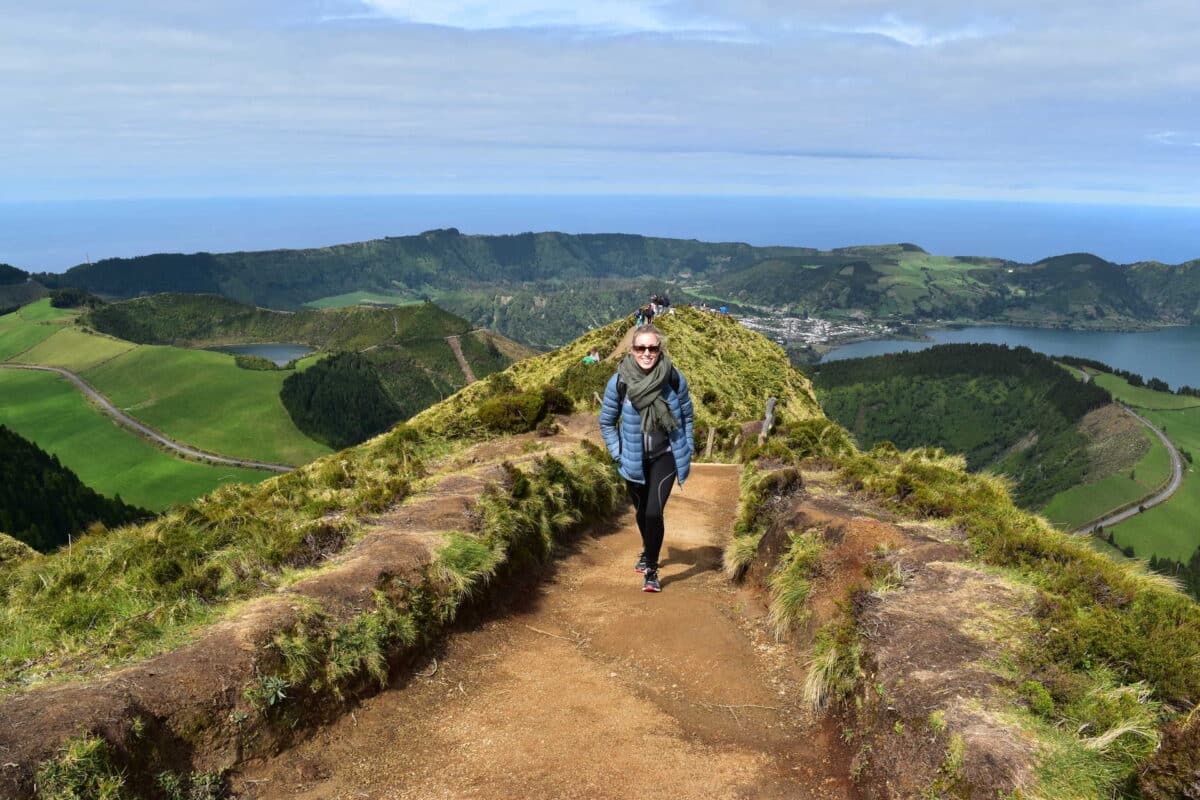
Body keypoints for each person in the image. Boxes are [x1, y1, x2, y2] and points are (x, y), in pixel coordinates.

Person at [599, 325, 695, 592]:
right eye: (641, 348)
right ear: (632, 350)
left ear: (659, 350)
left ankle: (651, 568)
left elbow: (687, 416)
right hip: (633, 459)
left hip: (665, 456)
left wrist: (687, 447)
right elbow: (606, 422)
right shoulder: (619, 382)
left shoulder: (673, 379)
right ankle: (647, 547)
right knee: (642, 512)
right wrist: (618, 453)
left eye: (652, 348)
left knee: (654, 511)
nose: (647, 353)